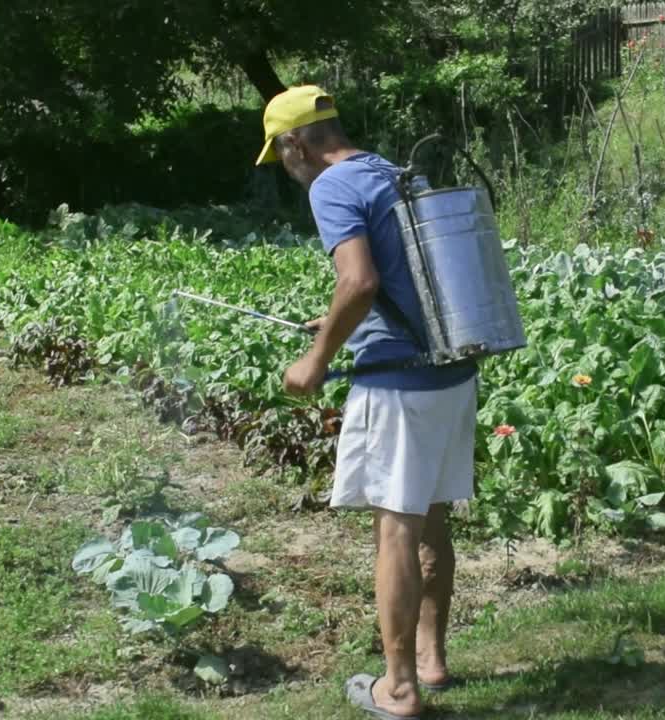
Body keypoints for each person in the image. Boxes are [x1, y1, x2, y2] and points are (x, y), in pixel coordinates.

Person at [256, 84, 479, 719]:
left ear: (295, 142)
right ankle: (432, 664)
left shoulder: (331, 186)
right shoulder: (392, 171)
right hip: (450, 370)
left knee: (395, 530)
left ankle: (399, 691)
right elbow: (403, 280)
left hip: (399, 384)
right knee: (431, 518)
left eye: (281, 158)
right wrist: (334, 326)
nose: (287, 173)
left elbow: (359, 279)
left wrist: (317, 359)